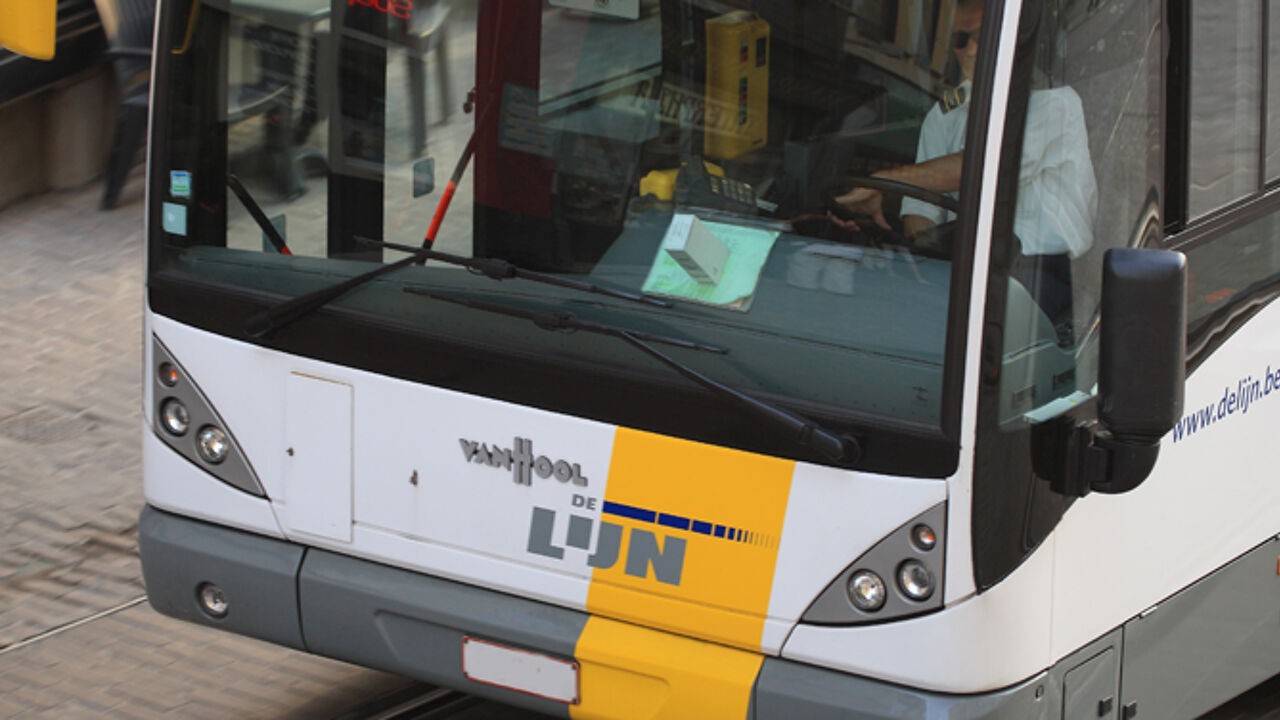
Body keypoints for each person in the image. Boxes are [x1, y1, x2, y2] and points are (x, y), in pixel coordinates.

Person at [832, 0, 1098, 330]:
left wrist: (879, 182)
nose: (970, 49)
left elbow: (981, 167)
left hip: (1041, 272)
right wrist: (922, 262)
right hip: (960, 262)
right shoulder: (944, 115)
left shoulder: (1053, 102)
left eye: (981, 36)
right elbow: (921, 208)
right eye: (960, 39)